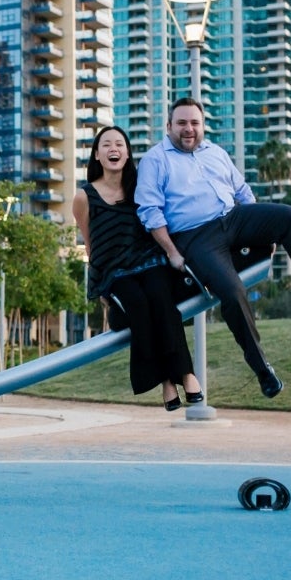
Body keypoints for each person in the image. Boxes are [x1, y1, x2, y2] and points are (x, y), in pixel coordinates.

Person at [135, 97, 291, 398]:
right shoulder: (155, 159)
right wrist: (172, 252)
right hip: (195, 235)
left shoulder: (215, 152)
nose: (188, 129)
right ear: (169, 126)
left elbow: (242, 191)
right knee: (232, 291)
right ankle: (262, 369)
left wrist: (259, 233)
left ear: (202, 126)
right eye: (182, 123)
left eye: (194, 123)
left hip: (234, 218)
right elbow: (150, 212)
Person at [73, 126, 203, 411]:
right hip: (115, 273)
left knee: (160, 297)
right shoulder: (84, 197)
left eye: (119, 143)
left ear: (127, 152)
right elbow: (90, 245)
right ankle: (167, 382)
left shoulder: (139, 186)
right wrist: (100, 290)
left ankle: (184, 374)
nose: (113, 149)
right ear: (97, 154)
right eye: (106, 144)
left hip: (148, 261)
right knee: (138, 304)